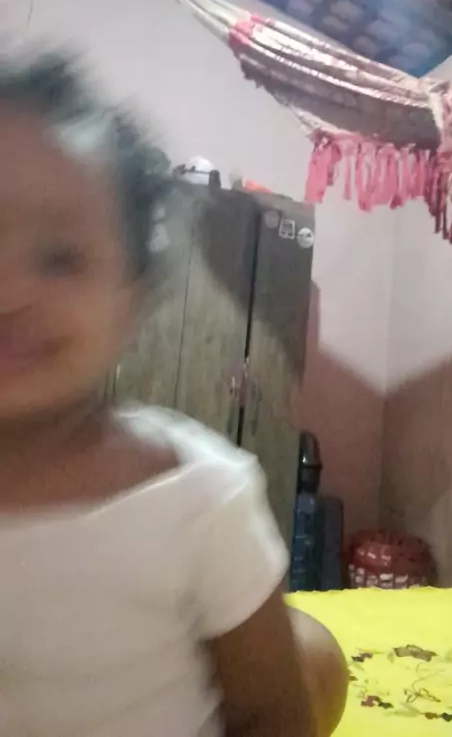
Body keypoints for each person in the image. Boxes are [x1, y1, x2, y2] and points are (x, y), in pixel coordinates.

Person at [0, 54, 348, 737]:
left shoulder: (197, 497)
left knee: (312, 660)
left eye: (59, 258)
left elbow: (270, 712)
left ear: (131, 300)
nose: (8, 294)